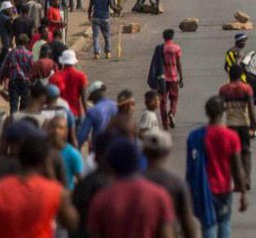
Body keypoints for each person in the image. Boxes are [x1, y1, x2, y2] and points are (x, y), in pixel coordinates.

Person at [0, 130, 77, 238]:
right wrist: (52, 177)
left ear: (19, 158)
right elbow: (72, 224)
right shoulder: (55, 192)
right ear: (45, 162)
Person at [87, 136, 176, 238]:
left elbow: (94, 233)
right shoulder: (159, 195)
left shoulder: (101, 199)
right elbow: (166, 234)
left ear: (110, 164)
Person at [189, 96, 247, 238]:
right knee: (224, 222)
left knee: (208, 224)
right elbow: (237, 167)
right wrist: (243, 193)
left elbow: (190, 167)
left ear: (206, 112)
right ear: (224, 111)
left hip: (203, 188)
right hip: (224, 188)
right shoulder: (231, 136)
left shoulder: (195, 136)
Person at [141, 130, 202, 238]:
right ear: (168, 152)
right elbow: (188, 224)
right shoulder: (177, 184)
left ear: (144, 151)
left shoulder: (134, 182)